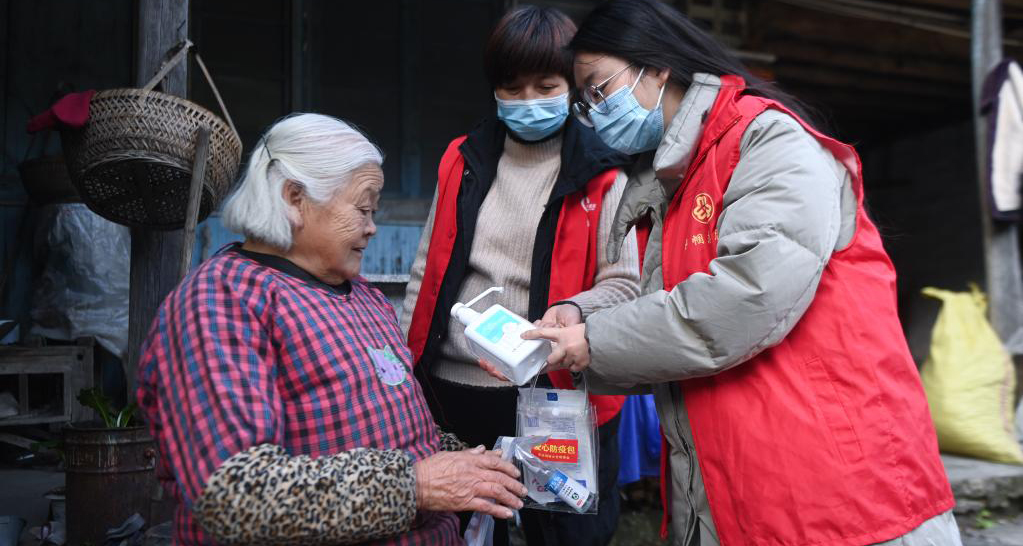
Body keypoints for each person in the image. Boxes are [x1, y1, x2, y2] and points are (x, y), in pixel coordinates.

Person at [510, 1, 960, 544]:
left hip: (840, 491)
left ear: (656, 68)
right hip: (747, 485)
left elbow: (745, 297)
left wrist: (591, 340)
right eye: (585, 102)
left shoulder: (769, 141)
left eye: (599, 90)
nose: (596, 111)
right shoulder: (674, 180)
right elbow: (668, 307)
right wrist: (580, 316)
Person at [137, 114, 527, 546]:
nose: (372, 227)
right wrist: (415, 485)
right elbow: (236, 494)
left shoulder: (362, 295)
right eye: (362, 208)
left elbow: (396, 428)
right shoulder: (219, 302)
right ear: (294, 197)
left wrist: (469, 462)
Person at [400, 6, 640, 546]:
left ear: (572, 85)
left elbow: (626, 282)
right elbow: (426, 270)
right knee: (444, 530)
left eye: (545, 85)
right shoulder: (461, 160)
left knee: (562, 530)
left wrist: (575, 309)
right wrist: (404, 363)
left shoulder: (603, 175)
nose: (529, 101)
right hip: (451, 391)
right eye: (512, 88)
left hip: (550, 394)